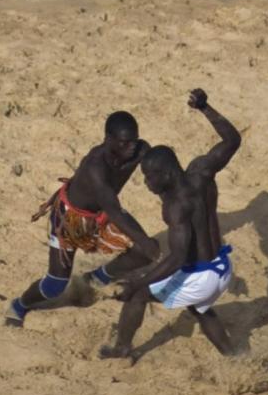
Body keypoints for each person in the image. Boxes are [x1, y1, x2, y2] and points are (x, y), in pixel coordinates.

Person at [100, 89, 241, 361]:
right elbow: (233, 140)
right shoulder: (202, 171)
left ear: (165, 174)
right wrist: (205, 108)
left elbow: (177, 257)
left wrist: (137, 282)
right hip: (223, 268)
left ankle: (122, 348)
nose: (146, 183)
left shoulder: (176, 207)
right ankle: (234, 355)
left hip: (203, 277)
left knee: (138, 295)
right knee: (198, 308)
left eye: (149, 177)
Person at [9, 109, 157, 327]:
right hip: (70, 220)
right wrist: (148, 243)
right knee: (55, 285)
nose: (131, 146)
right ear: (109, 140)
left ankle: (97, 278)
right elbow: (114, 209)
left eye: (134, 140)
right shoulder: (95, 166)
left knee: (144, 252)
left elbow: (161, 169)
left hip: (102, 213)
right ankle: (19, 305)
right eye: (125, 142)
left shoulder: (140, 150)